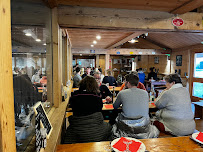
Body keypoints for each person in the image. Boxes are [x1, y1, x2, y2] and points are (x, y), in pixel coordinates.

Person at [64, 76, 112, 143]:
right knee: (110, 126)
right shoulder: (97, 97)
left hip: (78, 128)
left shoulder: (75, 95)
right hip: (96, 129)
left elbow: (72, 107)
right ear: (94, 85)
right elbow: (100, 110)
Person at [112, 73, 159, 139]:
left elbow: (115, 106)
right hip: (144, 126)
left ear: (127, 83)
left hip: (127, 126)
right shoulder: (145, 93)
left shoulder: (122, 93)